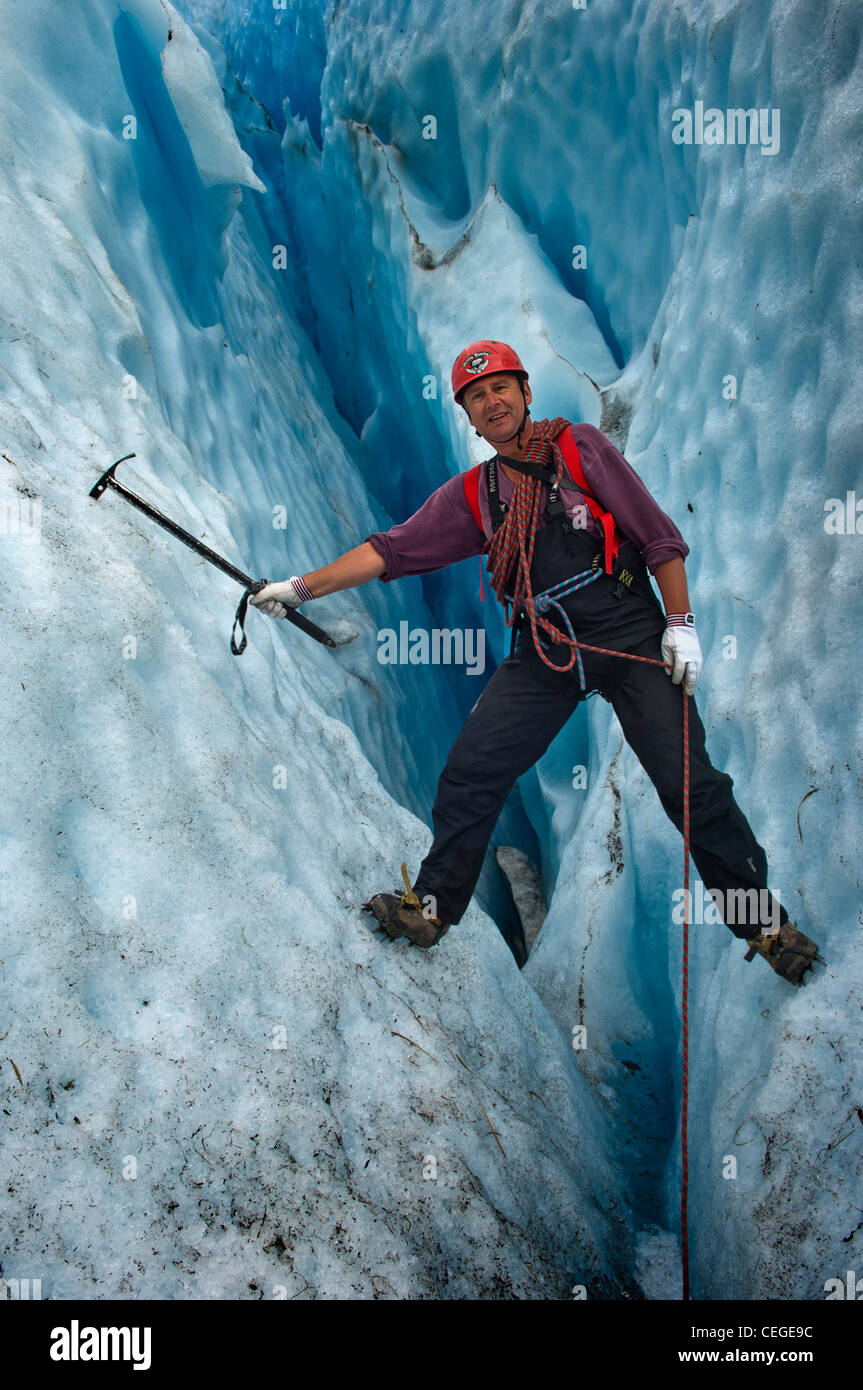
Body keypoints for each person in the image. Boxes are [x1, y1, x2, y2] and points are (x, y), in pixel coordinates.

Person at [251, 341, 821, 984]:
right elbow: (393, 550)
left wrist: (681, 624)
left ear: (525, 392)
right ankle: (432, 909)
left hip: (630, 633)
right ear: (468, 416)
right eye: (476, 396)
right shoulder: (478, 495)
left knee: (692, 787)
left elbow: (656, 534)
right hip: (547, 647)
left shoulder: (580, 449)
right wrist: (301, 588)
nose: (491, 402)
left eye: (500, 388)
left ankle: (767, 926)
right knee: (472, 768)